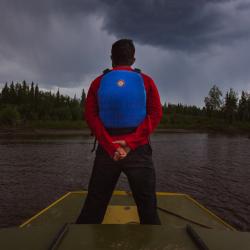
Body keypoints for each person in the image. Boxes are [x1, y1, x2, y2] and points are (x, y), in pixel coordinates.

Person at [76, 39, 162, 225]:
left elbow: (91, 117)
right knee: (147, 203)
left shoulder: (98, 82)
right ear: (133, 59)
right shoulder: (146, 81)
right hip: (138, 149)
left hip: (108, 149)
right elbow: (155, 114)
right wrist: (131, 144)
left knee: (95, 202)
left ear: (111, 59)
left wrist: (109, 145)